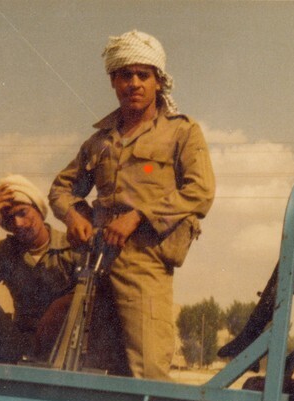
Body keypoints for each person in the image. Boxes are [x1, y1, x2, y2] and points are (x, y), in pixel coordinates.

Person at [49, 30, 216, 380]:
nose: (134, 83)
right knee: (90, 369)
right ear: (113, 81)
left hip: (145, 261)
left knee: (149, 370)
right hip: (94, 263)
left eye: (144, 75)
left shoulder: (181, 132)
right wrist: (74, 216)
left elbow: (200, 190)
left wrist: (138, 216)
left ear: (159, 81)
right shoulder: (99, 142)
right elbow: (61, 189)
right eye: (125, 75)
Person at [0, 175, 98, 364]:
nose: (18, 224)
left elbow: (95, 296)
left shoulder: (71, 247)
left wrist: (61, 306)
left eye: (23, 213)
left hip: (62, 346)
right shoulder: (7, 251)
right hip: (19, 343)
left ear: (39, 210)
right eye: (9, 218)